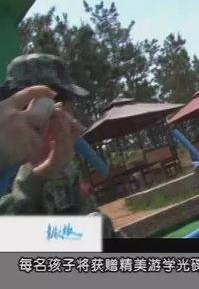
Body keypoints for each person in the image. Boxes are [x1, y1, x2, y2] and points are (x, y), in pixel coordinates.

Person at [0, 53, 121, 237]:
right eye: (61, 102)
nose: (69, 117)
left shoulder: (63, 166)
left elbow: (87, 215)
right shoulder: (6, 170)